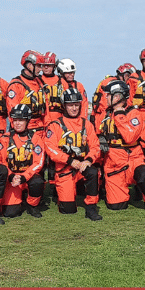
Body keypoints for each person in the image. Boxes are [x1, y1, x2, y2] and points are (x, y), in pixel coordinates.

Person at [98, 80, 145, 214]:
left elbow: (129, 137)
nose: (106, 97)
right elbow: (98, 132)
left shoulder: (134, 114)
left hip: (133, 158)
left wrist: (119, 115)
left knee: (144, 175)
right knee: (117, 207)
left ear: (118, 96)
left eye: (109, 95)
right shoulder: (105, 114)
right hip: (114, 162)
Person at [42, 87, 102, 220]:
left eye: (76, 105)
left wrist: (89, 160)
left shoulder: (87, 124)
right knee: (68, 210)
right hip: (65, 169)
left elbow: (95, 146)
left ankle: (91, 208)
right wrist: (70, 161)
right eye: (70, 105)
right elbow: (51, 150)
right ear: (64, 106)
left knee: (93, 172)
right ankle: (64, 193)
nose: (74, 108)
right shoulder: (55, 125)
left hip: (83, 166)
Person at [0, 104, 46, 218]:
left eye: (21, 120)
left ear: (27, 121)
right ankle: (18, 199)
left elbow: (38, 163)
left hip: (28, 177)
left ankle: (32, 205)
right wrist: (11, 176)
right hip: (12, 179)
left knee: (37, 182)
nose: (18, 123)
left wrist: (24, 177)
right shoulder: (5, 138)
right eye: (15, 120)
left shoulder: (35, 138)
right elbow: (1, 161)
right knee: (10, 213)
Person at [7, 50, 47, 132]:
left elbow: (46, 110)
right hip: (26, 130)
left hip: (41, 129)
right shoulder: (16, 85)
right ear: (29, 65)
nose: (41, 69)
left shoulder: (40, 83)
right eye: (38, 66)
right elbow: (12, 111)